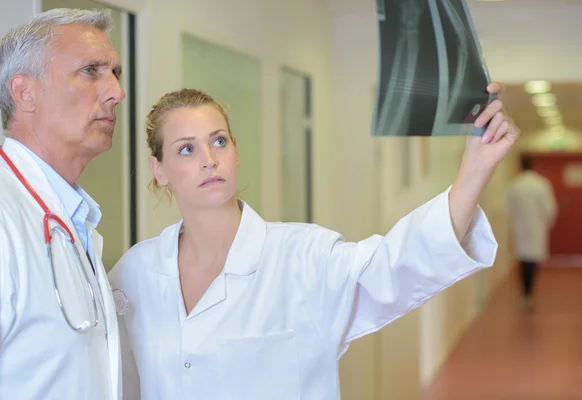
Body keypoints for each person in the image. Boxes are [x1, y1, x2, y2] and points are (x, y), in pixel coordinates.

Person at [109, 84, 520, 399]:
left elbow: (395, 263)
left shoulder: (303, 256)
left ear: (236, 152)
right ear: (158, 169)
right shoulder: (135, 274)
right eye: (185, 149)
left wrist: (475, 170)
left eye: (218, 141)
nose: (208, 160)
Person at [0, 8, 125, 399]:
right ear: (25, 93)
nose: (116, 93)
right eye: (91, 71)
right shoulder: (6, 215)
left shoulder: (73, 219)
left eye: (115, 73)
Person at [506, 156, 557, 310]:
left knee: (522, 260)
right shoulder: (541, 184)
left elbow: (508, 210)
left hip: (520, 227)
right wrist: (547, 223)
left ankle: (525, 293)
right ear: (533, 167)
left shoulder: (514, 185)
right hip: (537, 227)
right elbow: (549, 209)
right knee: (533, 260)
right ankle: (529, 292)